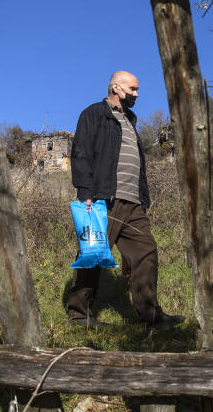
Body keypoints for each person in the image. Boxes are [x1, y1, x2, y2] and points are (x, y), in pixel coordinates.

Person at [66, 70, 185, 330]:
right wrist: (85, 192)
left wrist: (143, 199)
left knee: (146, 251)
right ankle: (78, 316)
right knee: (93, 256)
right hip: (102, 200)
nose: (137, 94)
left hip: (133, 203)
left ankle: (151, 316)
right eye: (133, 89)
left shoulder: (130, 120)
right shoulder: (94, 114)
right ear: (116, 88)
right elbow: (81, 152)